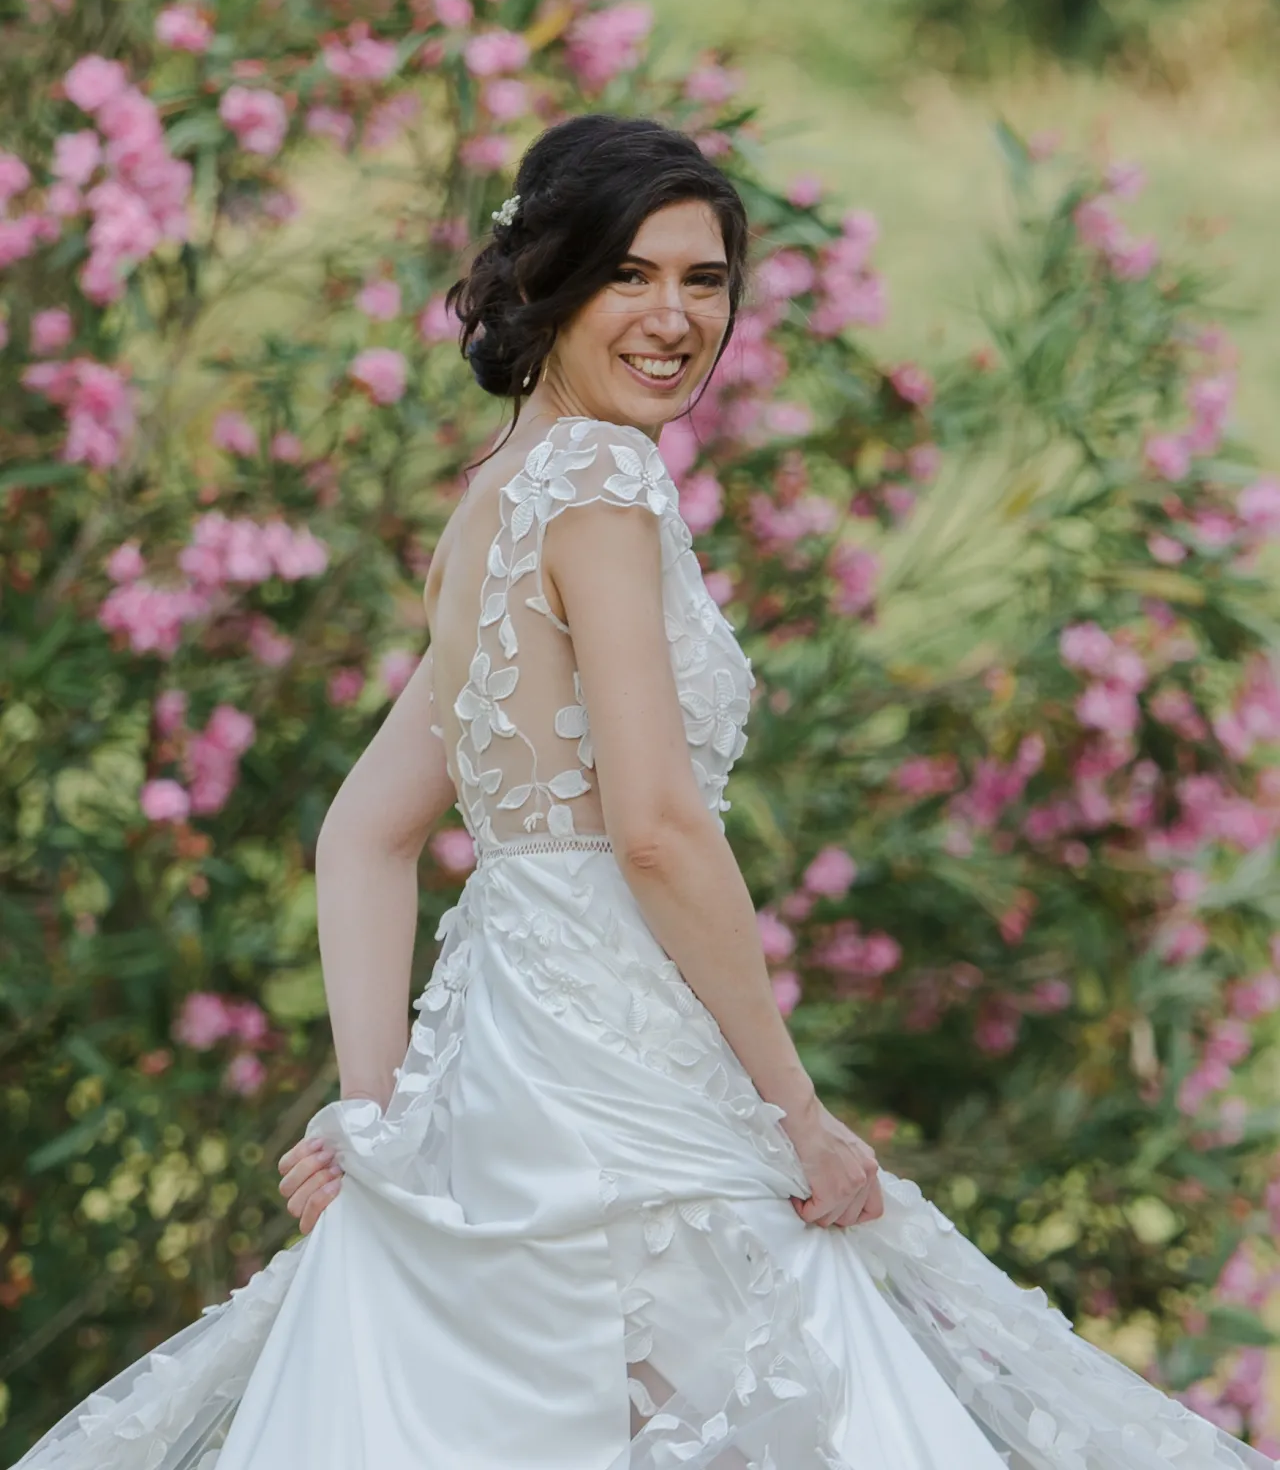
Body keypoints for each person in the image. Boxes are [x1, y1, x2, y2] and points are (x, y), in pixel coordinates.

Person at [19, 115, 1270, 1470]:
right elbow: (659, 827)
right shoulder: (605, 482)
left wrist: (376, 1124)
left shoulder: (493, 500)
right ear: (549, 283)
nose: (675, 316)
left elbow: (365, 835)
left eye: (706, 278)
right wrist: (798, 1111)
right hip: (619, 1082)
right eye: (631, 275)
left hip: (502, 1074)